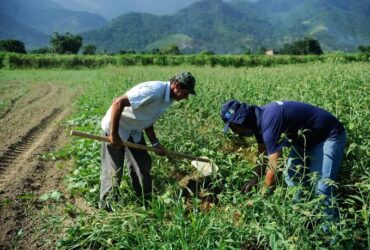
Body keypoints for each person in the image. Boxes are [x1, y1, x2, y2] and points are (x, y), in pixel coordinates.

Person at [220, 100, 346, 221]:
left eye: (233, 126)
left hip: (328, 136)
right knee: (292, 177)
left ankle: (331, 237)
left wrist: (260, 199)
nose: (234, 132)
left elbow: (275, 167)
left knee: (322, 189)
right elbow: (262, 153)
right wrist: (255, 178)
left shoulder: (269, 121)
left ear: (242, 120)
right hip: (303, 140)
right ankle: (301, 219)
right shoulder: (257, 122)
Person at [99, 72, 196, 209]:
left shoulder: (169, 99)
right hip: (116, 128)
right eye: (186, 93)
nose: (186, 97)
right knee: (114, 171)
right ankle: (105, 208)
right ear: (177, 86)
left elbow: (148, 118)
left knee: (142, 166)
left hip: (134, 131)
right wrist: (114, 135)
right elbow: (118, 102)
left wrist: (155, 143)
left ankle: (146, 203)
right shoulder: (154, 91)